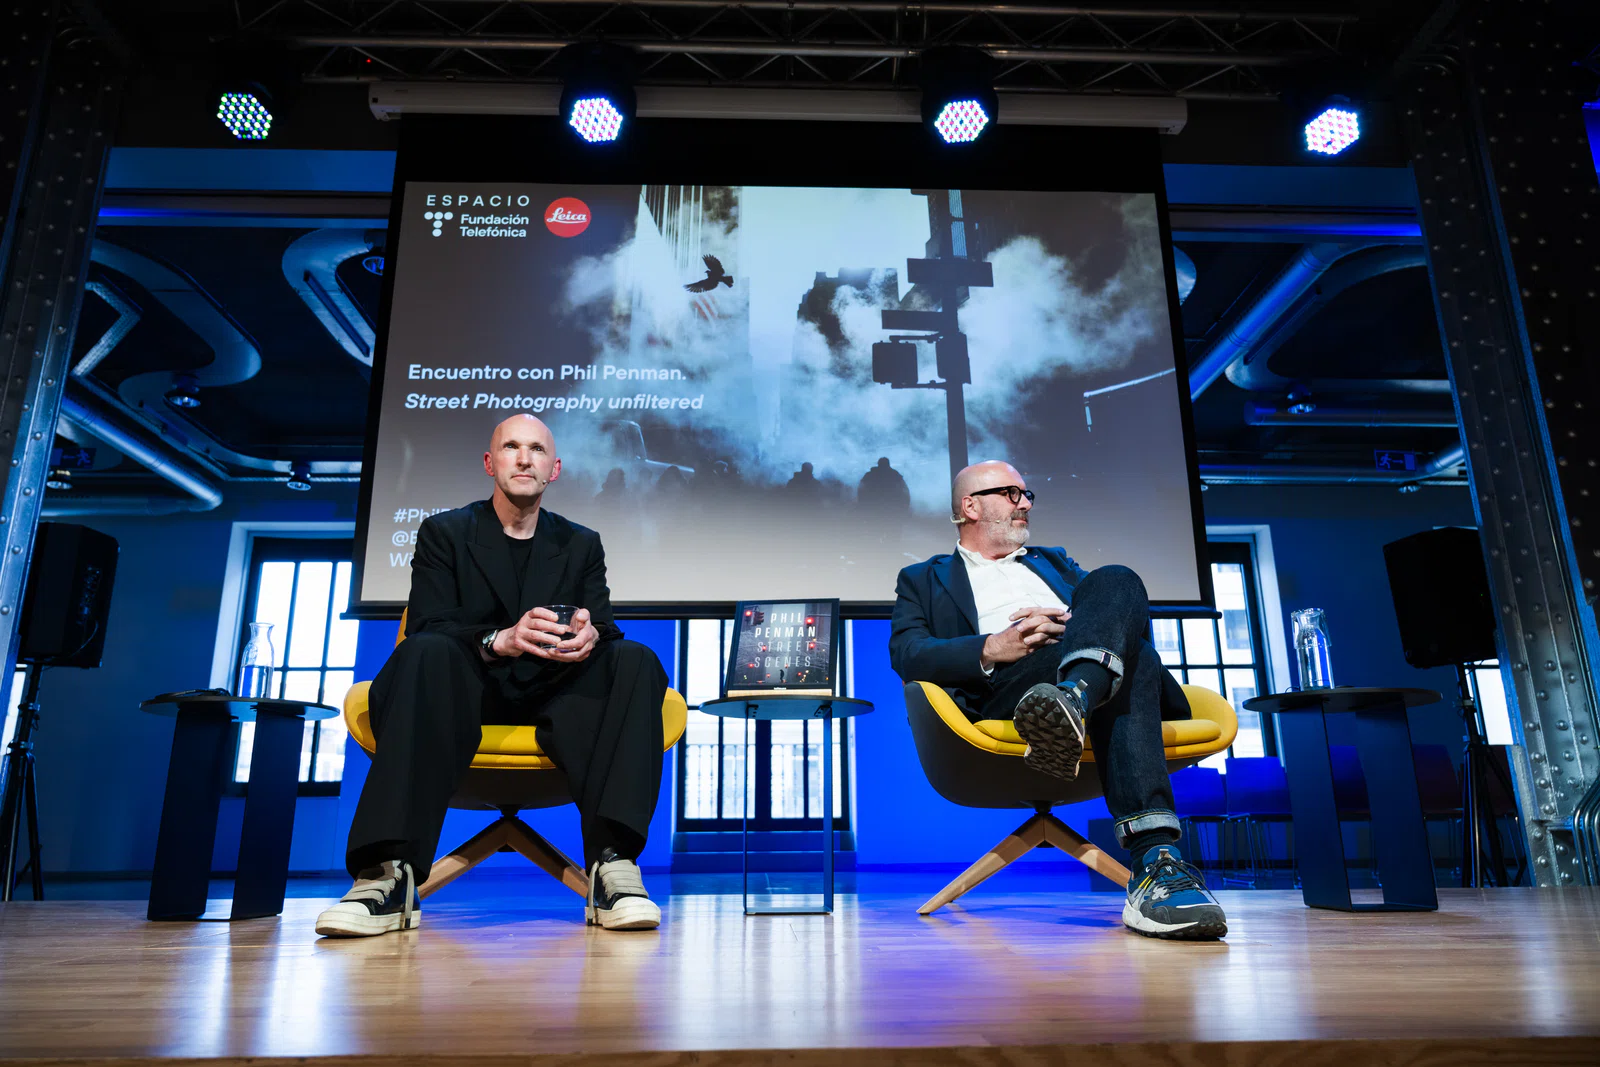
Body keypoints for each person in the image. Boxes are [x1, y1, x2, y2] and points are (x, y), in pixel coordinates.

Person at [316, 414, 669, 938]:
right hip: (465, 692)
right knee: (427, 652)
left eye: (536, 450)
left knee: (636, 658)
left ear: (554, 469)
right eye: (511, 447)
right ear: (491, 462)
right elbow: (430, 624)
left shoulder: (581, 543)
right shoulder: (445, 532)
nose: (524, 458)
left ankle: (614, 867)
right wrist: (498, 640)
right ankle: (387, 875)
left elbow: (604, 629)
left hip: (556, 695)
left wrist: (592, 635)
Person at [888, 460, 1227, 941]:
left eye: (1027, 494)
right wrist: (994, 646)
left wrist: (1068, 627)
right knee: (1131, 665)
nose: (1025, 503)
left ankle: (1074, 694)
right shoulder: (923, 578)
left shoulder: (1057, 560)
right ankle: (1156, 862)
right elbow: (907, 653)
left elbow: (1123, 620)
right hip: (1009, 688)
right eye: (1010, 493)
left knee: (1117, 578)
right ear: (969, 506)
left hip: (1081, 668)